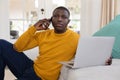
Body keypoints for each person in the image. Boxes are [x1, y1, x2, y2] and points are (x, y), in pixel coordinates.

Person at [0, 6, 112, 80]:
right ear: (50, 19)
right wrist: (33, 28)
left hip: (40, 77)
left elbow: (89, 56)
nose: (59, 19)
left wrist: (104, 59)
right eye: (56, 16)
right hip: (31, 67)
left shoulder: (76, 38)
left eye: (63, 17)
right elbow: (17, 47)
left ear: (68, 21)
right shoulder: (43, 34)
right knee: (1, 44)